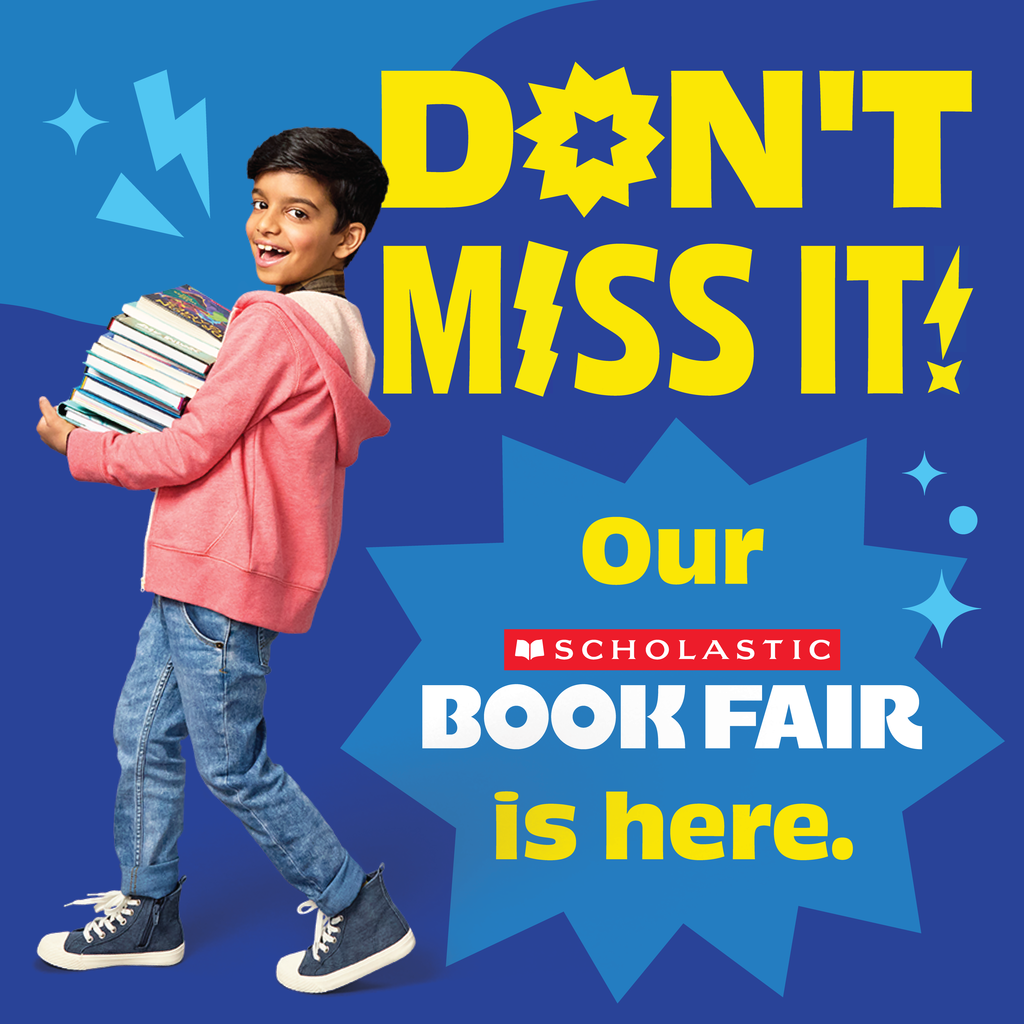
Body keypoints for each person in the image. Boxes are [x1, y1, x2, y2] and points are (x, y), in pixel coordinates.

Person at [34, 127, 414, 994]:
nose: (267, 226)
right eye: (259, 204)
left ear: (347, 237)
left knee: (231, 763)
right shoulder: (340, 328)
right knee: (142, 735)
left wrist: (76, 445)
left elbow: (187, 451)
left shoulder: (273, 323)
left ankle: (354, 908)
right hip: (208, 570)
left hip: (219, 570)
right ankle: (148, 907)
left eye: (298, 212)